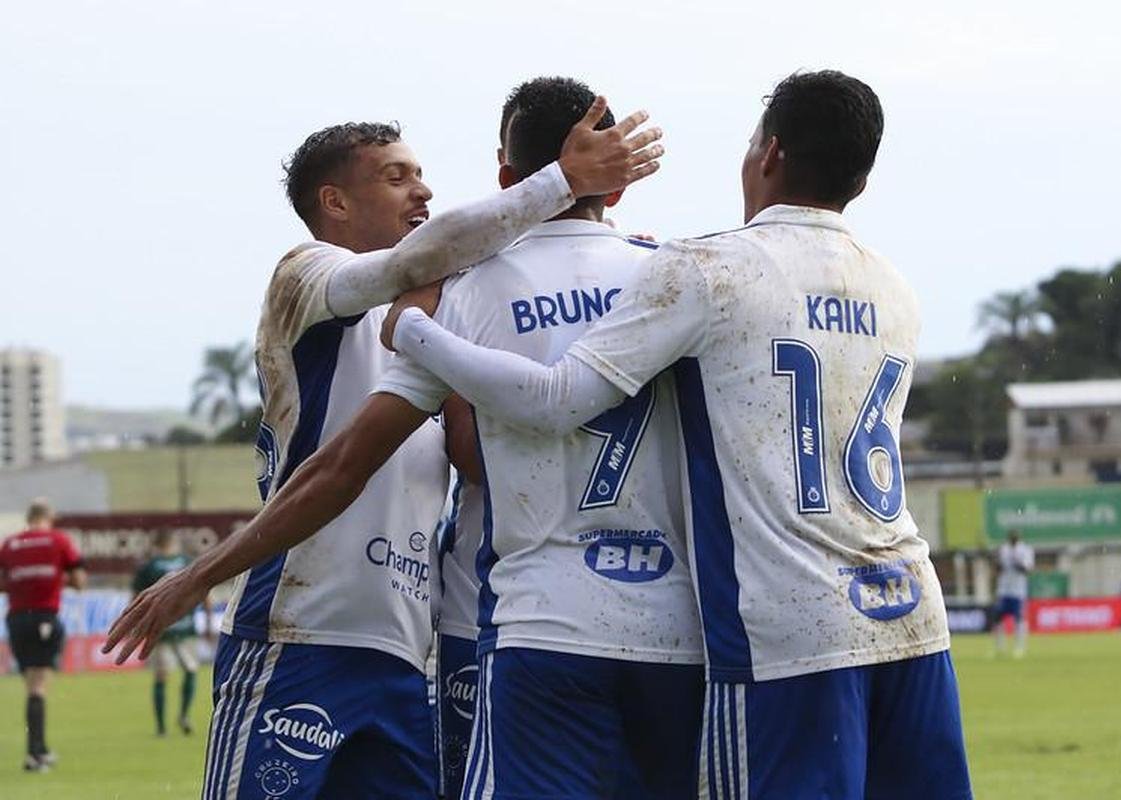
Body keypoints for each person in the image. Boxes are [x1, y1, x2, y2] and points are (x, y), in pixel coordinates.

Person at [386, 70, 974, 798]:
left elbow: (555, 400)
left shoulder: (707, 267)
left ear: (769, 154)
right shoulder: (892, 286)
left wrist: (412, 330)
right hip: (909, 608)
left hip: (785, 627)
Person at [103, 99, 664, 800]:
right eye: (397, 177)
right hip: (299, 630)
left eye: (422, 174)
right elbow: (342, 460)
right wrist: (560, 181)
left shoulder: (440, 305)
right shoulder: (306, 276)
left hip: (409, 650)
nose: (423, 190)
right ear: (334, 200)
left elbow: (469, 456)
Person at [378, 77, 703, 800]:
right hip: (678, 622)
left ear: (504, 179)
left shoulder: (469, 288)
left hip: (543, 619)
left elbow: (462, 452)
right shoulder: (679, 273)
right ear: (615, 186)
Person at [0, 499, 86, 772]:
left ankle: (41, 749)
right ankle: (34, 755)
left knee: (31, 686)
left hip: (16, 620)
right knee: (38, 687)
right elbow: (80, 581)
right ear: (48, 518)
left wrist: (20, 585)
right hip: (44, 617)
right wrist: (59, 580)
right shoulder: (58, 540)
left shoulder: (10, 543)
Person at [132, 530, 214, 736]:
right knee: (191, 670)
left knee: (161, 677)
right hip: (185, 628)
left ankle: (161, 727)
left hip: (161, 631)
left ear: (157, 545)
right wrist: (208, 622)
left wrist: (135, 627)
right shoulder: (187, 562)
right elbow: (204, 593)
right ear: (173, 543)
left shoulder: (148, 568)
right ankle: (184, 715)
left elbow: (137, 599)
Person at [992, 529, 1034, 657]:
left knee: (1019, 619)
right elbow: (997, 568)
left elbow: (1028, 570)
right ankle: (1000, 648)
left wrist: (1017, 562)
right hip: (1003, 590)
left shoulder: (1025, 550)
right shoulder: (1003, 549)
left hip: (1018, 591)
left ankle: (1019, 648)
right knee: (997, 618)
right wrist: (997, 563)